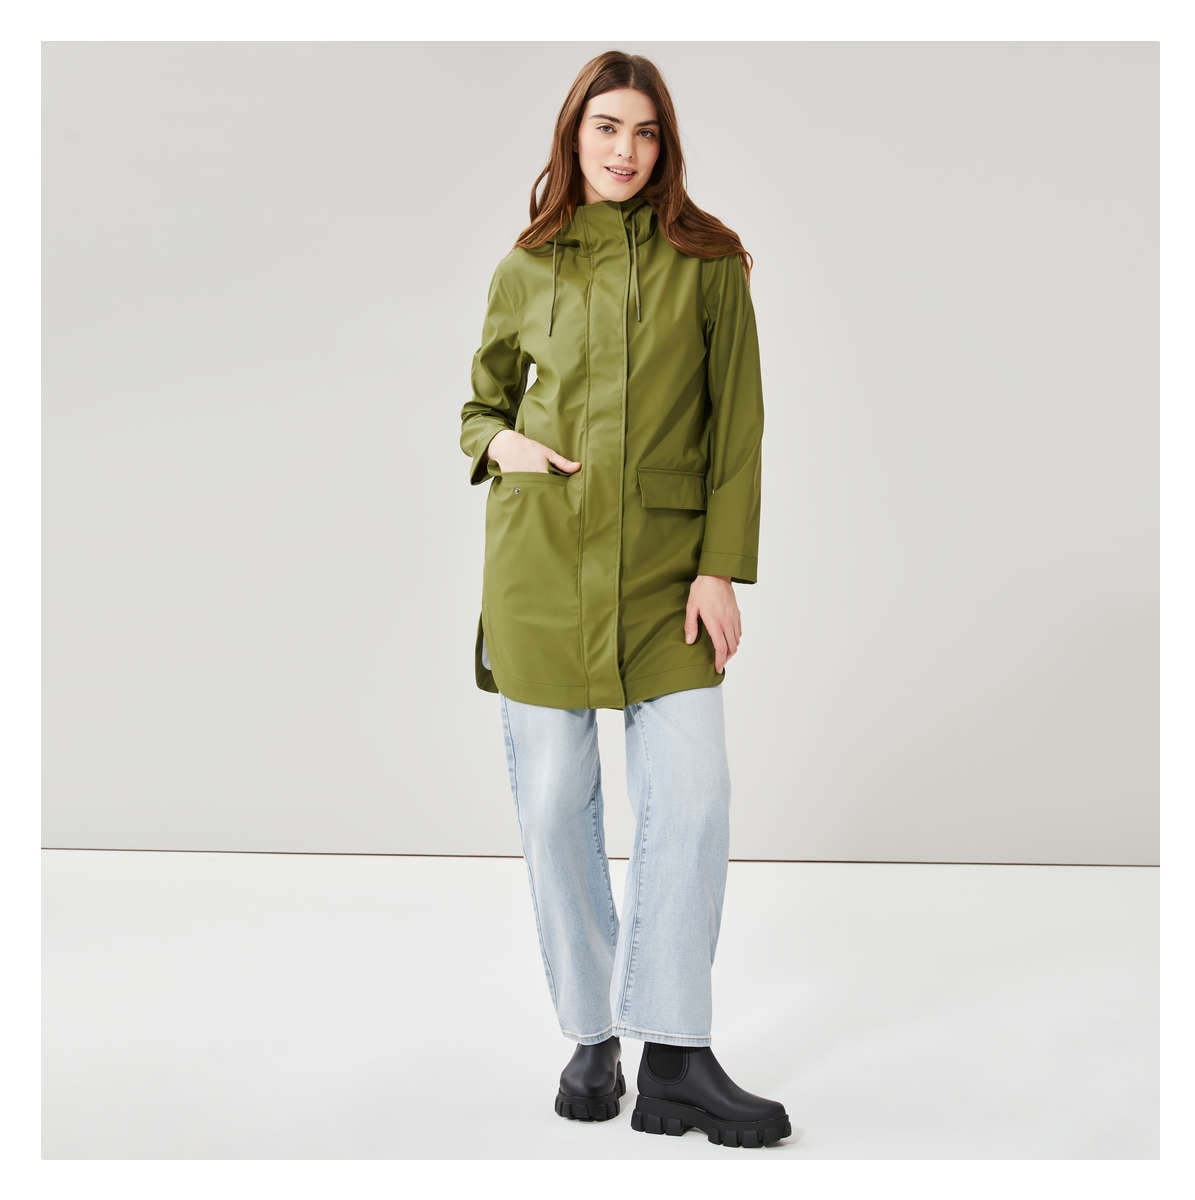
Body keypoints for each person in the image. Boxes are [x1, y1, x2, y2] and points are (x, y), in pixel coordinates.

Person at [459, 50, 791, 1149]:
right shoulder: (527, 264)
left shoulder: (711, 262)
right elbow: (479, 405)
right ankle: (593, 1034)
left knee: (691, 801)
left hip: (663, 575)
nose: (625, 149)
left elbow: (737, 425)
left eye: (645, 132)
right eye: (607, 127)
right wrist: (501, 444)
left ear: (666, 145)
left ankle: (677, 1056)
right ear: (574, 135)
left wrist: (718, 567)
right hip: (542, 568)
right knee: (556, 807)